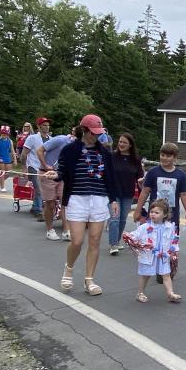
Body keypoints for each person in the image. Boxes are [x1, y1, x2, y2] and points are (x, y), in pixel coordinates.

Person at [44, 114, 119, 296]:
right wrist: (55, 175)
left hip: (99, 199)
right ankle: (68, 269)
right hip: (77, 197)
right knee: (77, 241)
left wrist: (113, 199)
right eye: (93, 132)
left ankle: (89, 280)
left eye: (98, 133)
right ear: (84, 130)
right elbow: (62, 170)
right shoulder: (70, 150)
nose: (96, 136)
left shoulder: (105, 153)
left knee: (94, 241)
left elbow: (110, 178)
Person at [127, 198, 181, 303]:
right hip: (149, 256)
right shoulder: (145, 227)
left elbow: (173, 240)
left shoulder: (169, 227)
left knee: (166, 275)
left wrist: (175, 250)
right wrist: (130, 238)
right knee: (145, 275)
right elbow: (135, 235)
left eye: (157, 212)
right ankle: (140, 293)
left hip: (163, 256)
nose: (153, 214)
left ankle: (170, 293)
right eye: (151, 212)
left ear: (165, 214)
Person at [134, 142, 186, 233]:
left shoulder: (180, 175)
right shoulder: (153, 172)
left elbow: (184, 195)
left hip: (172, 215)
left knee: (170, 240)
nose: (164, 158)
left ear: (175, 158)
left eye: (168, 156)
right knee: (152, 240)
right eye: (162, 155)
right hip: (154, 214)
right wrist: (138, 210)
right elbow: (145, 192)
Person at [107, 133, 145, 255]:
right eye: (120, 142)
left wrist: (142, 192)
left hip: (128, 194)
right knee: (114, 219)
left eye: (124, 142)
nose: (121, 144)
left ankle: (116, 242)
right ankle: (113, 244)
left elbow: (139, 178)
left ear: (130, 145)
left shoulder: (135, 160)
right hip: (114, 193)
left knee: (122, 219)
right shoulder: (112, 156)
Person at [38, 128, 76, 241]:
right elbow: (39, 150)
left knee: (65, 202)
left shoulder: (79, 147)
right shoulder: (60, 140)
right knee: (50, 203)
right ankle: (50, 230)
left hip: (62, 175)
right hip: (47, 173)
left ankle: (66, 230)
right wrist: (45, 165)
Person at [21, 117, 52, 219]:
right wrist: (24, 169)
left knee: (45, 189)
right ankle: (39, 211)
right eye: (44, 125)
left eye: (48, 125)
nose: (47, 127)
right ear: (38, 126)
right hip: (33, 166)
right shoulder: (32, 138)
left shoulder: (51, 139)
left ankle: (34, 207)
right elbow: (24, 154)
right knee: (39, 189)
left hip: (45, 168)